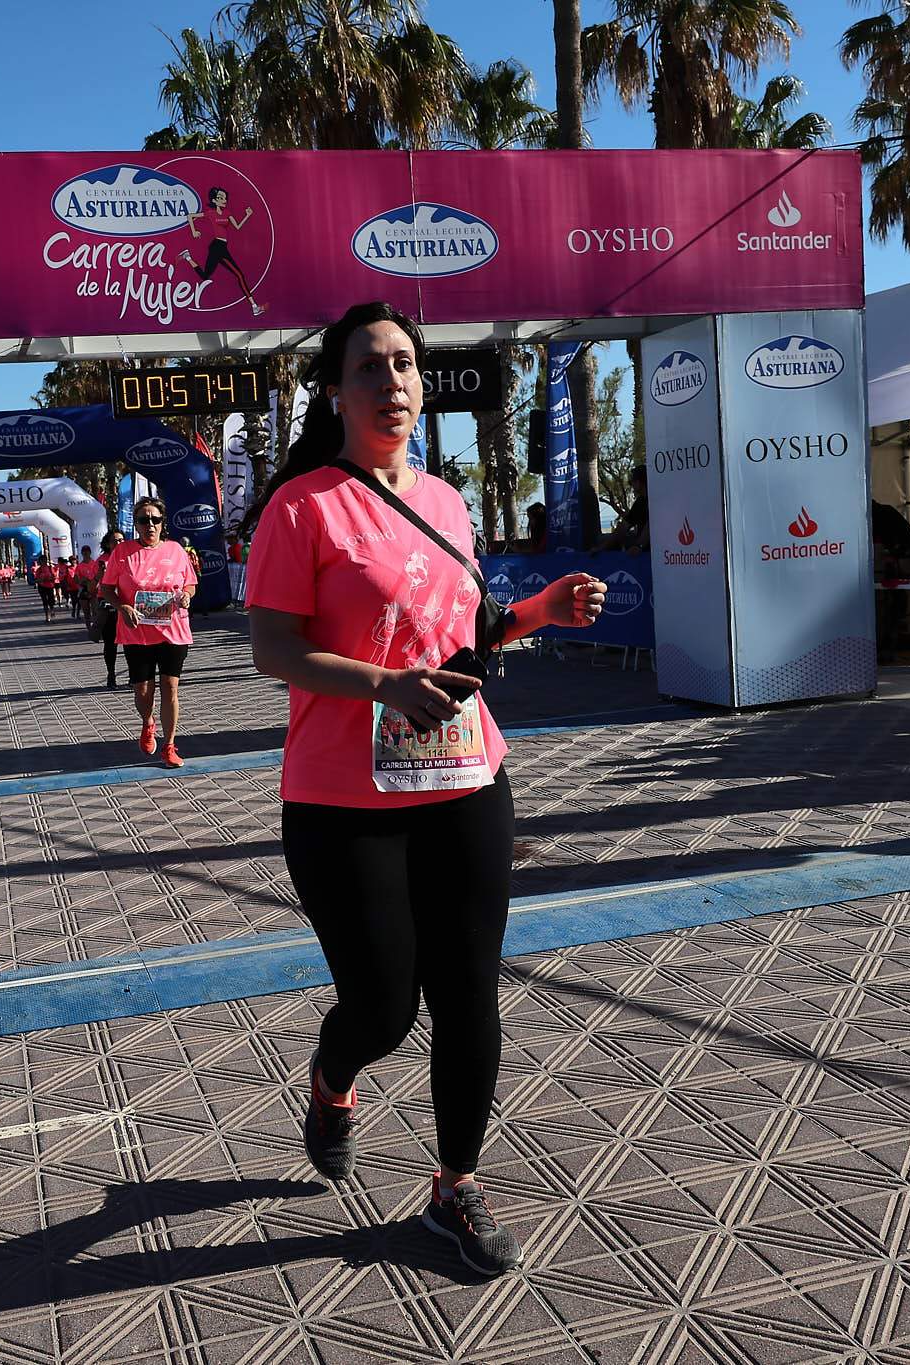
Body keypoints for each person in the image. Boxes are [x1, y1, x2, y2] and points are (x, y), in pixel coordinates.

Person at [244, 301, 607, 1276]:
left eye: (405, 365)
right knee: (381, 1009)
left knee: (467, 994)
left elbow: (465, 635)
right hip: (341, 798)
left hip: (463, 776)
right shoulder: (303, 507)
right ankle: (331, 1079)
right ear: (335, 392)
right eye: (371, 368)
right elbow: (272, 649)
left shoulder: (445, 500)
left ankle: (454, 1186)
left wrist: (539, 611)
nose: (394, 382)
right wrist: (382, 686)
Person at [101, 497, 196, 767]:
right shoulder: (123, 553)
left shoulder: (177, 550)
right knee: (144, 691)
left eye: (155, 519)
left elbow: (189, 584)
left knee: (170, 686)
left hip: (173, 629)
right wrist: (123, 607)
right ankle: (147, 721)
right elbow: (107, 589)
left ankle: (169, 745)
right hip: (137, 632)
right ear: (137, 524)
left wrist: (186, 597)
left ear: (162, 522)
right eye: (144, 520)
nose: (150, 525)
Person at [180, 186, 266, 317]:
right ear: (214, 200)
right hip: (217, 247)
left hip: (221, 247)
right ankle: (254, 306)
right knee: (239, 275)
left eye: (224, 198)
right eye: (220, 198)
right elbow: (190, 216)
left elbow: (237, 227)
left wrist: (247, 215)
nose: (223, 200)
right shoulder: (211, 213)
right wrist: (194, 231)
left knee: (205, 276)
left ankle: (187, 257)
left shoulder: (227, 213)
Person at [92, 531, 122, 688]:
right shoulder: (101, 560)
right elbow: (91, 587)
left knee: (132, 643)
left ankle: (134, 677)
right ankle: (111, 674)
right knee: (111, 642)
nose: (118, 543)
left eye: (121, 540)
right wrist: (99, 575)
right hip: (107, 603)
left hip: (128, 602)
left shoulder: (130, 556)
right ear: (107, 544)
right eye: (115, 541)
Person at [35, 558, 58, 622]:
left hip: (50, 586)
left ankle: (52, 611)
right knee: (45, 601)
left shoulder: (50, 568)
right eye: (41, 561)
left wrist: (50, 579)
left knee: (51, 601)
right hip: (42, 587)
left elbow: (54, 577)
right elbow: (36, 579)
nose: (43, 562)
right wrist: (41, 580)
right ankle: (47, 616)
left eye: (44, 561)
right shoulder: (39, 570)